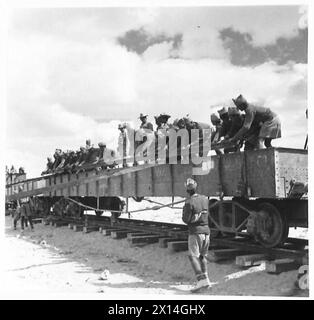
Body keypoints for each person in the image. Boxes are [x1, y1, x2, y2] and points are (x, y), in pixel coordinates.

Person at [182, 178, 211, 293]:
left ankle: (200, 281)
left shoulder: (189, 202)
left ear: (187, 190)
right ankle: (206, 279)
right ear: (196, 187)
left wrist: (187, 207)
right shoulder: (204, 199)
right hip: (206, 232)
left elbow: (185, 219)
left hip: (195, 233)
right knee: (203, 256)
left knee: (193, 256)